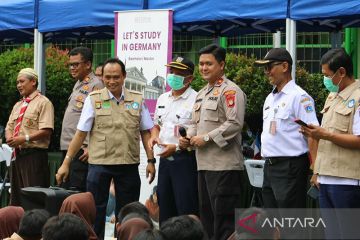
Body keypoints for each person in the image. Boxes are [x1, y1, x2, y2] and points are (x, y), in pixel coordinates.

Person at [56, 57, 156, 239]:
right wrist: (66, 163)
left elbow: (145, 132)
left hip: (128, 164)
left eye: (116, 77)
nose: (111, 81)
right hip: (99, 164)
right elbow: (80, 134)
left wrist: (151, 160)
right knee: (96, 211)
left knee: (129, 212)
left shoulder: (137, 99)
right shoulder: (93, 100)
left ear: (124, 76)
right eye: (107, 77)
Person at [180, 44, 246, 240]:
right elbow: (194, 123)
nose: (203, 68)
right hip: (204, 166)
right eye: (201, 64)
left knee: (224, 222)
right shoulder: (201, 93)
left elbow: (235, 123)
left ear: (222, 65)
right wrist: (187, 139)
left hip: (224, 167)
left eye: (209, 63)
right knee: (207, 220)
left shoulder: (231, 91)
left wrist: (206, 138)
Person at [302, 48, 360, 239]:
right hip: (325, 178)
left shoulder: (358, 98)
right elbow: (326, 135)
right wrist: (316, 171)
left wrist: (325, 134)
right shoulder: (333, 96)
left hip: (347, 181)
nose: (325, 80)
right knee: (332, 234)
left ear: (341, 72)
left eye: (327, 75)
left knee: (348, 234)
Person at [254, 48, 319, 209]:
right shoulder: (270, 97)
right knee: (272, 223)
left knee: (290, 223)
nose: (266, 72)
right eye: (264, 68)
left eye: (269, 67)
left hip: (290, 167)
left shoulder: (300, 97)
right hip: (269, 166)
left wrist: (316, 170)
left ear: (284, 66)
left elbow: (313, 134)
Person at [148, 56, 198, 224]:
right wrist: (154, 137)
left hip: (185, 160)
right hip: (165, 161)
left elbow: (195, 133)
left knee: (185, 208)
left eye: (179, 73)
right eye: (172, 71)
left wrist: (176, 147)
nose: (173, 76)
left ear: (189, 78)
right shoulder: (163, 98)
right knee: (165, 207)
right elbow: (157, 125)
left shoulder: (197, 99)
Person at [5, 68, 54, 206]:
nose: (18, 85)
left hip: (34, 156)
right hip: (17, 156)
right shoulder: (18, 105)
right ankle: (17, 227)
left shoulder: (44, 103)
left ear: (33, 82)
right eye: (17, 82)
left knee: (34, 198)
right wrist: (10, 138)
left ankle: (36, 227)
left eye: (22, 81)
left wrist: (23, 139)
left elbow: (46, 130)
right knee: (16, 198)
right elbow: (9, 127)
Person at [60, 46, 104, 192]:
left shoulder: (96, 84)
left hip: (82, 151)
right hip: (69, 148)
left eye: (76, 64)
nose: (72, 68)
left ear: (88, 64)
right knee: (65, 192)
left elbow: (101, 120)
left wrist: (91, 146)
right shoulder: (78, 83)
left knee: (76, 193)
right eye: (70, 65)